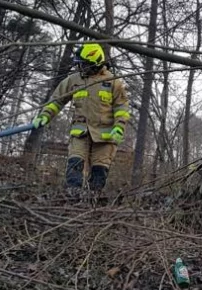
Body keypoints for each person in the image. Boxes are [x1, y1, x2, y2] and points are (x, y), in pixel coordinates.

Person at [32, 43, 130, 197]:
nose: (81, 68)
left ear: (94, 63)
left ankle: (93, 201)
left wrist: (119, 127)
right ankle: (72, 196)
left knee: (100, 170)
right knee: (74, 163)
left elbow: (121, 107)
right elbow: (57, 100)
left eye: (83, 64)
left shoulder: (113, 82)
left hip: (105, 136)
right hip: (81, 132)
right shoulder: (73, 80)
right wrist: (45, 115)